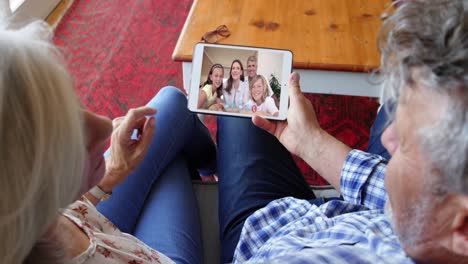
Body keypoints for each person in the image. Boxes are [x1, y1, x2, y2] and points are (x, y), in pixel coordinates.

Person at [216, 0, 468, 263]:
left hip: (262, 235)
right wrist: (310, 142)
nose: (387, 137)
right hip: (344, 213)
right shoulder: (436, 221)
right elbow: (410, 199)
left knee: (235, 117)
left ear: (463, 227)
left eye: (404, 143)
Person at [0, 20, 217, 264]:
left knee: (172, 103)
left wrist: (112, 173)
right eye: (59, 131)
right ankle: (216, 171)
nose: (105, 125)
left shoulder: (20, 221)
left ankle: (212, 168)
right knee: (173, 149)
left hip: (88, 220)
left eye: (74, 107)